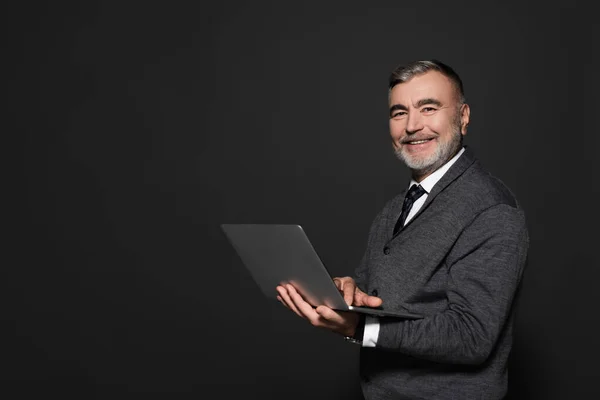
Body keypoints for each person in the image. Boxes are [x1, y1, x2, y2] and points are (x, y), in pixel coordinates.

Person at [276, 59, 529, 399]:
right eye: (399, 113)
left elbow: (473, 336)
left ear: (463, 117)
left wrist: (361, 327)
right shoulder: (396, 208)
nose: (412, 125)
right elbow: (384, 297)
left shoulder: (492, 209)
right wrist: (348, 294)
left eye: (429, 108)